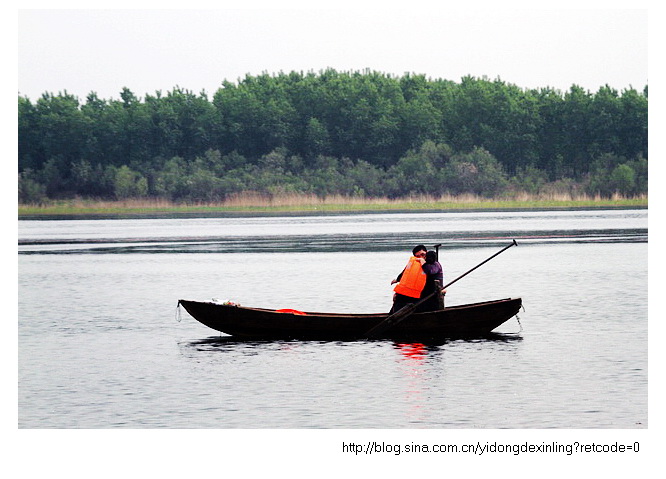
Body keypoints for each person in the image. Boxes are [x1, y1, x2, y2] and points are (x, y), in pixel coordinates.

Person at [390, 245, 427, 313]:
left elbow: (435, 276)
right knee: (396, 307)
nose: (421, 257)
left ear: (426, 253)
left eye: (422, 254)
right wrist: (397, 280)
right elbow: (405, 273)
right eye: (418, 256)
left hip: (419, 294)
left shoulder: (430, 264)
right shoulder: (414, 262)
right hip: (405, 292)